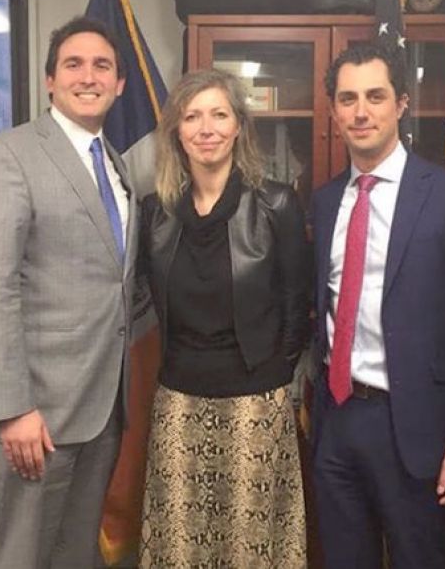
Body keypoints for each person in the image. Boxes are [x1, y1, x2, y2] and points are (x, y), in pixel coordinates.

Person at [309, 42, 445, 568]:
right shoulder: (326, 202)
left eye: (375, 96)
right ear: (333, 111)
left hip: (417, 428)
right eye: (347, 99)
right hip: (338, 420)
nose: (361, 112)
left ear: (402, 104)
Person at [0, 15, 138, 569]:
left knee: (76, 556)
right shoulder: (10, 154)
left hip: (101, 408)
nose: (88, 76)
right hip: (35, 415)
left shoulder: (116, 165)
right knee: (22, 557)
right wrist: (14, 408)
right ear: (49, 80)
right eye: (73, 64)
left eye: (102, 66)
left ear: (119, 84)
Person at [137, 68, 309, 567]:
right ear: (177, 131)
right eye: (192, 116)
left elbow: (296, 305)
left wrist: (271, 375)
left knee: (251, 548)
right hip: (178, 403)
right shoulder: (154, 212)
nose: (206, 128)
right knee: (181, 547)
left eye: (219, 114)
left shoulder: (277, 203)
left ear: (238, 126)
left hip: (255, 405)